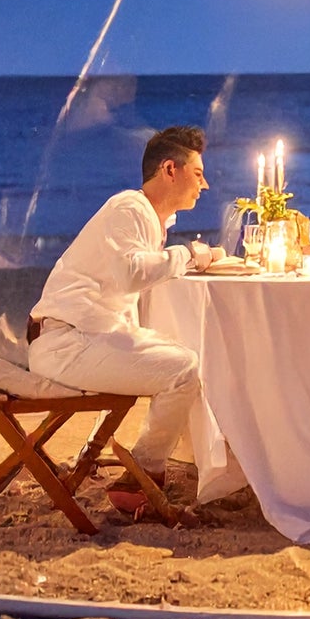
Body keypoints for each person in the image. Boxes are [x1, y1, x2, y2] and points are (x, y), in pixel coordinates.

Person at [27, 125, 223, 513]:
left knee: (187, 355)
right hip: (65, 343)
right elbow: (131, 273)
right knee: (183, 368)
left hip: (83, 337)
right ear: (170, 169)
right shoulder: (128, 209)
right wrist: (189, 255)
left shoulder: (148, 220)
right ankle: (145, 474)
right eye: (198, 173)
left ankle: (159, 463)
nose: (205, 185)